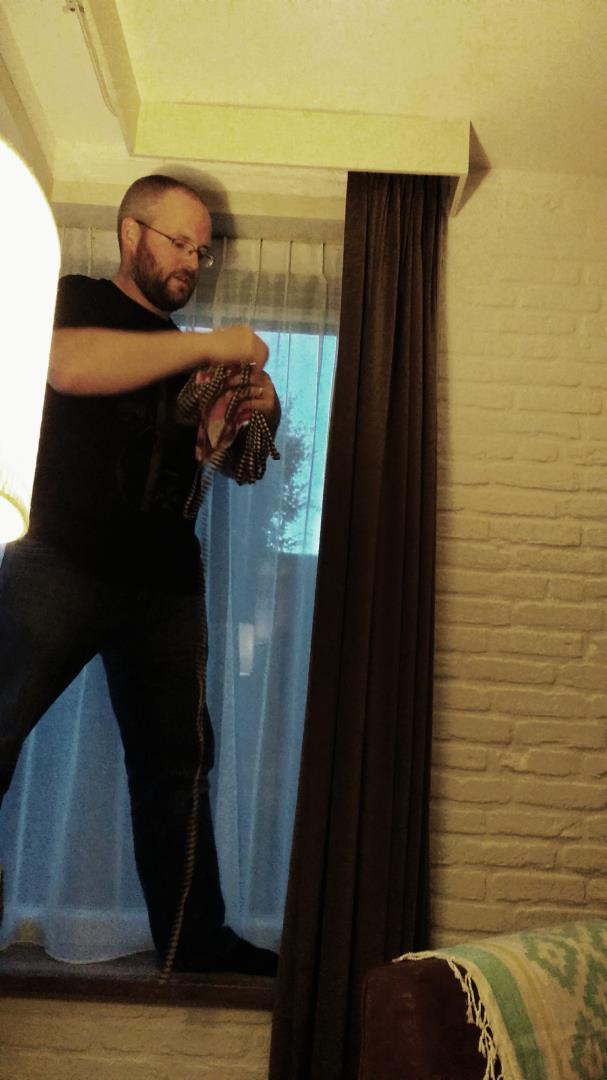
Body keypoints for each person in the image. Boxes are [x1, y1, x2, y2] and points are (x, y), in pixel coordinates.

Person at [0, 174, 281, 976]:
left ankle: (196, 944)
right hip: (61, 557)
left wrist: (249, 413)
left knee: (177, 768)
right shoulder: (79, 298)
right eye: (179, 241)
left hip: (165, 581)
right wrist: (213, 344)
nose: (192, 259)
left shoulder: (189, 358)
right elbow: (66, 365)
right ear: (132, 234)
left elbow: (233, 464)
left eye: (202, 250)